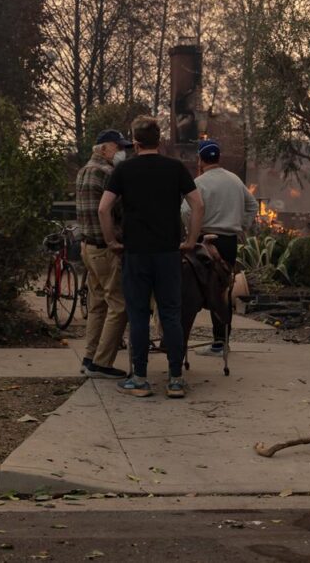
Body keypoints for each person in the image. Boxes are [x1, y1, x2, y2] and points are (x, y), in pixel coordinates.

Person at [98, 116, 205, 399]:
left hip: (136, 253)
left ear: (135, 141)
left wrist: (111, 241)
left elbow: (103, 209)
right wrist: (191, 239)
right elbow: (198, 204)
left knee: (138, 315)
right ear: (160, 140)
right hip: (168, 252)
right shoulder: (175, 168)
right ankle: (175, 379)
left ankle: (141, 378)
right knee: (170, 314)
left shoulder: (123, 170)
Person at [182, 139, 257, 356]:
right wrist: (241, 225)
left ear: (200, 159)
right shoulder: (234, 180)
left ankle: (190, 339)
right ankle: (221, 341)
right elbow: (252, 205)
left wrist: (192, 232)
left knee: (196, 289)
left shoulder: (200, 182)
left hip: (205, 241)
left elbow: (185, 211)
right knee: (223, 289)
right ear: (219, 157)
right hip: (228, 242)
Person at [75, 129, 132, 379]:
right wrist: (114, 240)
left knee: (97, 304)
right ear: (105, 148)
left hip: (88, 247)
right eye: (118, 147)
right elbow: (115, 210)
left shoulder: (83, 171)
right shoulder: (108, 173)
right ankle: (103, 362)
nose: (122, 152)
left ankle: (89, 357)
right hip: (106, 249)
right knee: (119, 305)